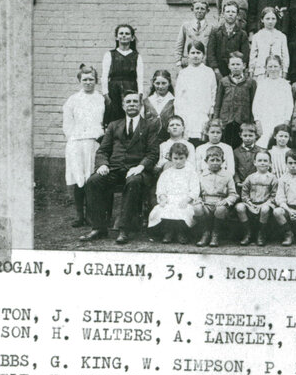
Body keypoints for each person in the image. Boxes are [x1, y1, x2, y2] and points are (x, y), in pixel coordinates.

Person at [81, 91, 160, 244]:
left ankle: (124, 229)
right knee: (93, 181)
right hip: (115, 169)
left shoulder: (149, 126)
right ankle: (98, 227)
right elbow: (103, 150)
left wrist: (141, 166)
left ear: (140, 105)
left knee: (133, 182)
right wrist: (103, 164)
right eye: (128, 102)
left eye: (135, 101)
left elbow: (153, 153)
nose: (131, 104)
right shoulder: (113, 125)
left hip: (137, 170)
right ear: (123, 106)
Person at [62, 64, 105, 227]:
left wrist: (99, 137)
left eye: (91, 79)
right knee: (79, 179)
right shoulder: (72, 100)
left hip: (94, 143)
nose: (88, 82)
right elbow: (67, 125)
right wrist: (74, 138)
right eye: (85, 79)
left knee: (92, 179)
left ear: (96, 80)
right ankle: (80, 215)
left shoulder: (101, 98)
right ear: (80, 80)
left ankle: (92, 215)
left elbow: (104, 121)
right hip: (77, 144)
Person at [147, 143, 199, 244]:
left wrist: (187, 200)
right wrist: (163, 198)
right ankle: (168, 231)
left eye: (181, 158)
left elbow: (195, 190)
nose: (178, 161)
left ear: (186, 158)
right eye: (175, 158)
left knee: (184, 210)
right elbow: (161, 188)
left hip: (185, 199)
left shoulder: (191, 172)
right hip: (169, 198)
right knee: (163, 209)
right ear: (171, 158)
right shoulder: (166, 173)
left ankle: (181, 232)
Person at [174, 41, 217, 147]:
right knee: (188, 142)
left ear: (203, 55)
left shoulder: (208, 72)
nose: (195, 55)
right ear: (188, 55)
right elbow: (178, 96)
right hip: (187, 113)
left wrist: (211, 110)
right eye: (192, 53)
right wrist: (179, 115)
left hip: (203, 113)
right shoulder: (183, 73)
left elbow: (213, 92)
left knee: (202, 141)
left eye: (198, 52)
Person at [194, 145, 238, 247]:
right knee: (196, 208)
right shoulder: (201, 176)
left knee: (221, 209)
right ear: (206, 161)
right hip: (206, 203)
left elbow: (233, 194)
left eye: (217, 160)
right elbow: (197, 193)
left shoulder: (227, 176)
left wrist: (226, 201)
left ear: (222, 161)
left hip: (220, 203)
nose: (215, 163)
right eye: (212, 160)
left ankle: (215, 234)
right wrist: (199, 200)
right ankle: (205, 232)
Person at [101, 24, 144, 126]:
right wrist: (106, 95)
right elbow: (104, 76)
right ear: (116, 37)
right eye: (121, 33)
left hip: (131, 89)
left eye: (127, 33)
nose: (124, 35)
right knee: (114, 120)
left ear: (132, 38)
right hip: (113, 91)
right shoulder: (109, 54)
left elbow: (140, 78)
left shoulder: (137, 56)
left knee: (129, 119)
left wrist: (140, 95)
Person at [212, 52, 256, 147]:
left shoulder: (250, 82)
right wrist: (216, 119)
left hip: (242, 120)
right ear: (229, 66)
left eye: (238, 64)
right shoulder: (224, 81)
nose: (235, 67)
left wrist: (252, 121)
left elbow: (254, 103)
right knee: (226, 145)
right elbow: (218, 102)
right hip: (226, 120)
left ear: (244, 65)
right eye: (233, 64)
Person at [235, 151, 278, 246]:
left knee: (265, 209)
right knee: (239, 207)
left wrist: (265, 204)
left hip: (266, 204)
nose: (262, 163)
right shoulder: (250, 178)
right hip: (251, 204)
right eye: (260, 160)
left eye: (265, 161)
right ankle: (248, 233)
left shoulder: (273, 178)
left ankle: (261, 234)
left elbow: (274, 195)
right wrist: (250, 203)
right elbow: (244, 194)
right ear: (255, 163)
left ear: (270, 163)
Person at [252, 55, 293, 148]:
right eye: (270, 66)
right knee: (264, 143)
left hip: (280, 119)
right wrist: (258, 122)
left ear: (280, 67)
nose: (273, 69)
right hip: (265, 119)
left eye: (275, 66)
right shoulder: (262, 84)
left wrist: (286, 121)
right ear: (265, 68)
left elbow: (289, 105)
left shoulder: (285, 85)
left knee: (278, 143)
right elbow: (256, 105)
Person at [206, 1, 251, 82]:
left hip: (235, 71)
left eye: (233, 12)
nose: (230, 14)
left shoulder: (242, 34)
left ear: (237, 15)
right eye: (228, 11)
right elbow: (210, 52)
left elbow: (245, 54)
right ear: (223, 14)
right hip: (218, 71)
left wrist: (239, 70)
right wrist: (216, 70)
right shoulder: (216, 32)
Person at [249, 7, 290, 79]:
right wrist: (251, 71)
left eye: (273, 19)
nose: (270, 21)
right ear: (262, 20)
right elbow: (253, 56)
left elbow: (285, 56)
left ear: (276, 20)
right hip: (261, 72)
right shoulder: (257, 36)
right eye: (267, 19)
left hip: (277, 72)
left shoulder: (281, 36)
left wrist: (284, 72)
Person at [175, 0, 213, 69]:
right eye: (197, 8)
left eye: (202, 9)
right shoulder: (186, 26)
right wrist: (178, 63)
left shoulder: (211, 27)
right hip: (187, 64)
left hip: (204, 64)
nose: (199, 11)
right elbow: (179, 45)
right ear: (192, 10)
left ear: (207, 11)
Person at [232, 123, 265, 188]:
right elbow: (234, 169)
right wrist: (238, 181)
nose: (248, 138)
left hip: (257, 184)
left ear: (256, 136)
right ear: (240, 135)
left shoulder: (260, 151)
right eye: (245, 135)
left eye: (250, 136)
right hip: (241, 184)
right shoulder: (236, 152)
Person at [147, 69, 176, 140]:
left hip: (169, 140)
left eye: (163, 83)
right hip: (150, 142)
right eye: (157, 83)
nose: (160, 86)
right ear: (153, 83)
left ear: (169, 83)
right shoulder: (146, 101)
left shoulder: (174, 101)